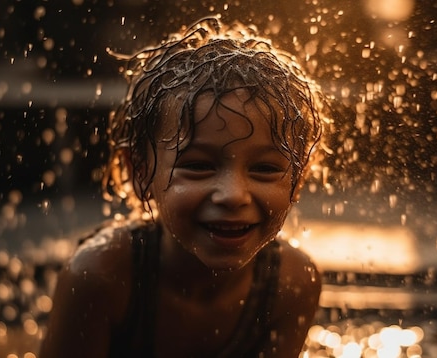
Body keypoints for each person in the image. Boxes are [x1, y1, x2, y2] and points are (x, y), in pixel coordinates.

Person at [39, 16, 332, 358]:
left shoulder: (291, 284)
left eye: (265, 168)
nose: (234, 194)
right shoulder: (99, 278)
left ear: (298, 180)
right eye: (198, 166)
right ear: (141, 173)